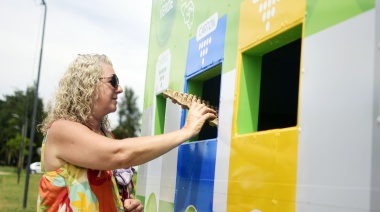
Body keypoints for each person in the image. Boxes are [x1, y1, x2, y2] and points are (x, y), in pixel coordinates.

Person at [37, 54, 216, 212]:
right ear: (87, 86)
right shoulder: (61, 129)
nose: (120, 88)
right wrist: (187, 130)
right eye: (113, 81)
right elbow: (120, 154)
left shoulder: (106, 137)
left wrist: (124, 205)